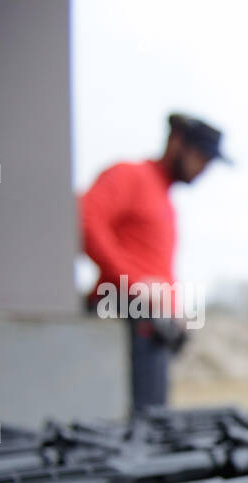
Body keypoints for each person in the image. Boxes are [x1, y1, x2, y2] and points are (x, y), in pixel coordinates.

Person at [80, 113, 227, 414]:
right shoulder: (130, 176)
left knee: (153, 420)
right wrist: (133, 284)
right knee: (131, 425)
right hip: (123, 316)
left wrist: (173, 310)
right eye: (201, 157)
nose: (204, 169)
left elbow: (154, 268)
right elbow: (87, 220)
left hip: (152, 327)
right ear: (176, 143)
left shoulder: (164, 199)